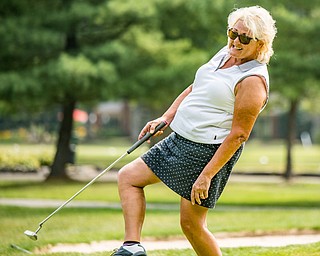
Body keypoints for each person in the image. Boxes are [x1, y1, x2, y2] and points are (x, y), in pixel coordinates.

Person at [112, 5, 277, 256]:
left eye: (244, 38)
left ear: (261, 44)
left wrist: (207, 175)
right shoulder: (225, 54)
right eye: (233, 33)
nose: (235, 41)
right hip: (180, 138)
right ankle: (133, 248)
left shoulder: (253, 81)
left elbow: (239, 134)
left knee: (191, 224)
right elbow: (196, 86)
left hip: (208, 151)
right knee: (128, 178)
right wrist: (166, 117)